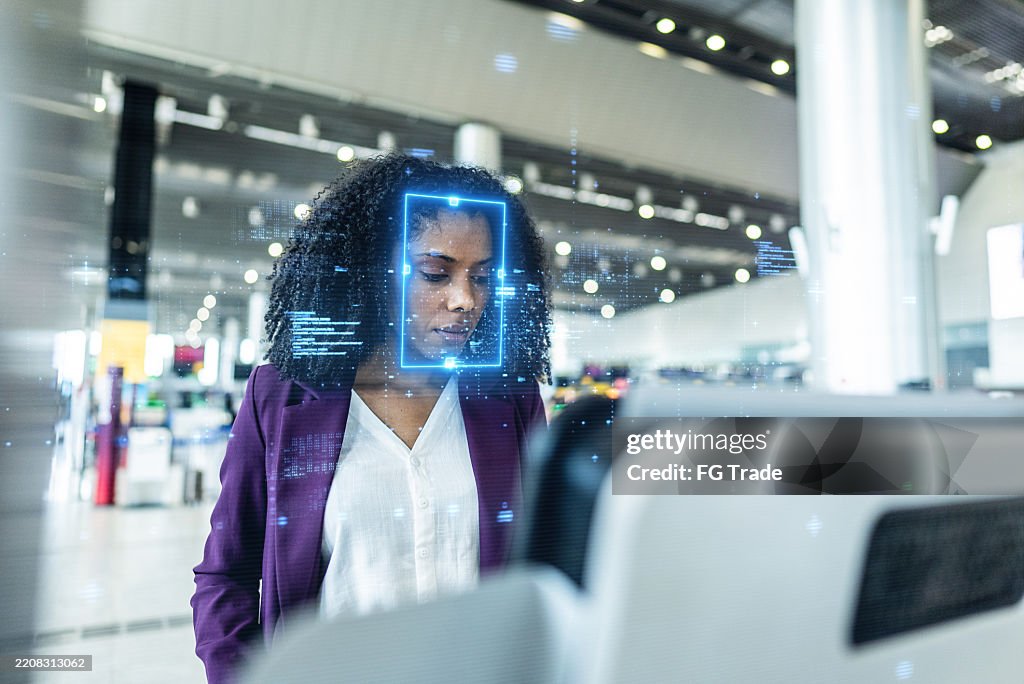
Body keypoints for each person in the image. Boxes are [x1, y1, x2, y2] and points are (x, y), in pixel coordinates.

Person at [191, 154, 552, 684]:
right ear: (372, 272)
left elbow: (543, 562)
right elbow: (227, 575)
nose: (464, 300)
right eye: (436, 273)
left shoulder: (508, 400)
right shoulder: (282, 399)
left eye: (481, 277)